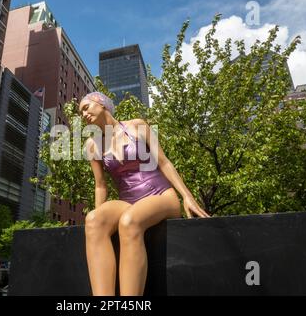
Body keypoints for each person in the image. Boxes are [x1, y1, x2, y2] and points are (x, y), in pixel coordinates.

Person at [78, 92, 210, 296]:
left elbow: (164, 162)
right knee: (94, 220)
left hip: (161, 196)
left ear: (102, 103)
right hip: (128, 202)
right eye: (80, 113)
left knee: (129, 221)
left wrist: (187, 196)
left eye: (86, 107)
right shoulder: (92, 145)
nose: (83, 114)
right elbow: (100, 185)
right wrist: (103, 217)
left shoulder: (137, 125)